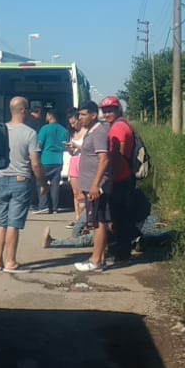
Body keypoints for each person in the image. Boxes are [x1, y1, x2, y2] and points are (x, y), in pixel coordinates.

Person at [0, 96, 45, 273]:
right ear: (23, 111)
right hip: (20, 180)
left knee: (1, 221)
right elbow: (35, 163)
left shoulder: (0, 131)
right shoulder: (30, 133)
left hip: (0, 178)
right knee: (13, 223)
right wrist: (42, 182)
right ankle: (10, 262)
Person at [101, 96, 140, 265]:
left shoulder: (117, 128)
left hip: (119, 179)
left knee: (118, 218)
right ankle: (125, 250)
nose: (108, 113)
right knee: (122, 217)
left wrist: (109, 179)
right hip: (126, 178)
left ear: (118, 110)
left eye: (111, 110)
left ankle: (122, 253)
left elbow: (117, 156)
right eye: (105, 110)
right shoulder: (124, 124)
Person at [72, 101, 111, 273]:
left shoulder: (99, 133)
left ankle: (96, 261)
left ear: (94, 115)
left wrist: (95, 185)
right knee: (96, 221)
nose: (80, 118)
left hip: (95, 186)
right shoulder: (91, 132)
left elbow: (104, 159)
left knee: (98, 222)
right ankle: (99, 258)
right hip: (89, 185)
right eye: (79, 115)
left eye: (83, 114)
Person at [35, 108, 68, 214]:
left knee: (41, 183)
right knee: (55, 185)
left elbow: (39, 145)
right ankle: (55, 208)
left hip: (45, 160)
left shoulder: (44, 129)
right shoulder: (64, 130)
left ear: (50, 116)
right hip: (58, 161)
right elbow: (66, 146)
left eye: (47, 115)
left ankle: (43, 206)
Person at [64, 112, 87, 227]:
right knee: (75, 192)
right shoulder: (74, 134)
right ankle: (77, 217)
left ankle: (85, 218)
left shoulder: (87, 132)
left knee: (83, 193)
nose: (73, 125)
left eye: (74, 122)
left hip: (83, 162)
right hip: (74, 161)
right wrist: (69, 149)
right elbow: (73, 153)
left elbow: (88, 148)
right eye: (70, 124)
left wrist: (76, 145)